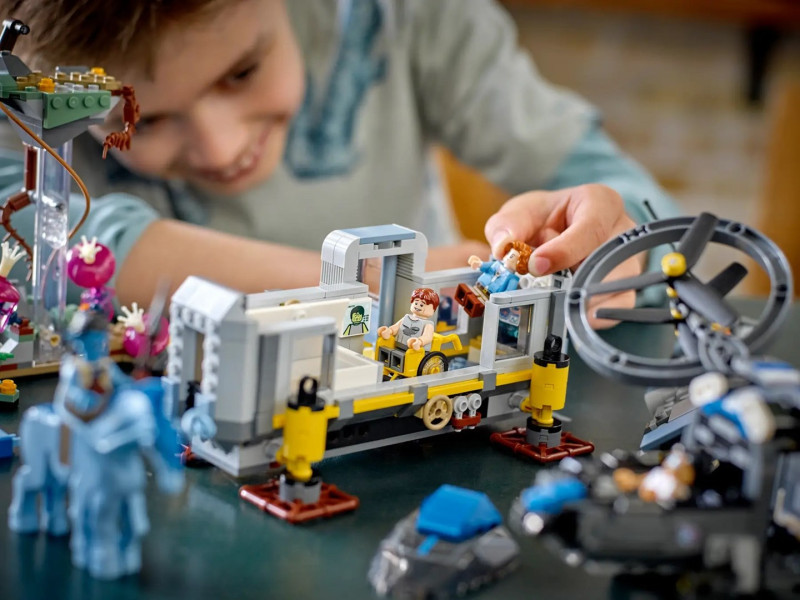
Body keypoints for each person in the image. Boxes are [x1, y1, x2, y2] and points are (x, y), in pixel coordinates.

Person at [0, 0, 679, 325]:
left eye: (242, 71)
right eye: (138, 121)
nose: (222, 148)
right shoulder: (22, 82)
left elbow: (656, 221)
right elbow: (26, 233)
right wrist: (391, 286)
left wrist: (606, 242)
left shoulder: (409, 16)